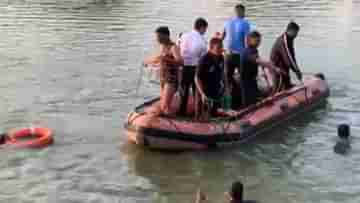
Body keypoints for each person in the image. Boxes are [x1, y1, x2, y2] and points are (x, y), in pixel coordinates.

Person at [144, 26, 183, 115]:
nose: (157, 39)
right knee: (162, 105)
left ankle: (174, 124)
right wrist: (147, 62)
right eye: (157, 37)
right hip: (163, 78)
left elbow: (180, 62)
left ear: (166, 36)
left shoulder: (173, 47)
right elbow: (159, 58)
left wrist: (166, 59)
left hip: (171, 79)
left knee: (165, 107)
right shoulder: (162, 46)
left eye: (159, 37)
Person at [239, 31, 283, 108]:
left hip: (253, 80)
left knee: (257, 97)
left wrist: (266, 75)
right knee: (249, 102)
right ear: (249, 40)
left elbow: (259, 63)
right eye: (257, 41)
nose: (259, 43)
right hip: (246, 82)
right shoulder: (247, 52)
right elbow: (259, 61)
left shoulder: (254, 50)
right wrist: (274, 67)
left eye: (259, 41)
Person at [221, 4, 251, 109]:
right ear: (242, 12)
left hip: (228, 55)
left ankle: (227, 103)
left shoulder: (228, 22)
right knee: (244, 78)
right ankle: (243, 104)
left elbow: (221, 37)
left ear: (235, 12)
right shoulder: (245, 23)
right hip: (239, 56)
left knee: (227, 78)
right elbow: (247, 41)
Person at [179, 18, 208, 116]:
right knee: (197, 93)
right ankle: (198, 115)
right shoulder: (202, 40)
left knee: (184, 92)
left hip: (184, 68)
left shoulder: (184, 36)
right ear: (202, 27)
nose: (205, 31)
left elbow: (180, 49)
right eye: (205, 29)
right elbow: (204, 58)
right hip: (196, 68)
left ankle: (181, 113)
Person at [195, 38, 225, 120]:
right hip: (204, 90)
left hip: (215, 89)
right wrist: (202, 94)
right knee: (202, 113)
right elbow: (196, 77)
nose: (221, 49)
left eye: (221, 47)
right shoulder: (204, 59)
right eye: (218, 48)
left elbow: (222, 73)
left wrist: (226, 87)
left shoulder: (221, 57)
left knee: (215, 111)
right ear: (211, 48)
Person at [270, 21, 302, 90]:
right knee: (277, 89)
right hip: (277, 68)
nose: (296, 35)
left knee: (287, 86)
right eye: (295, 33)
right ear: (290, 31)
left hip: (284, 67)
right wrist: (297, 71)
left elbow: (292, 56)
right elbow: (288, 58)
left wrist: (297, 69)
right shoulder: (283, 41)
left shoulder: (290, 39)